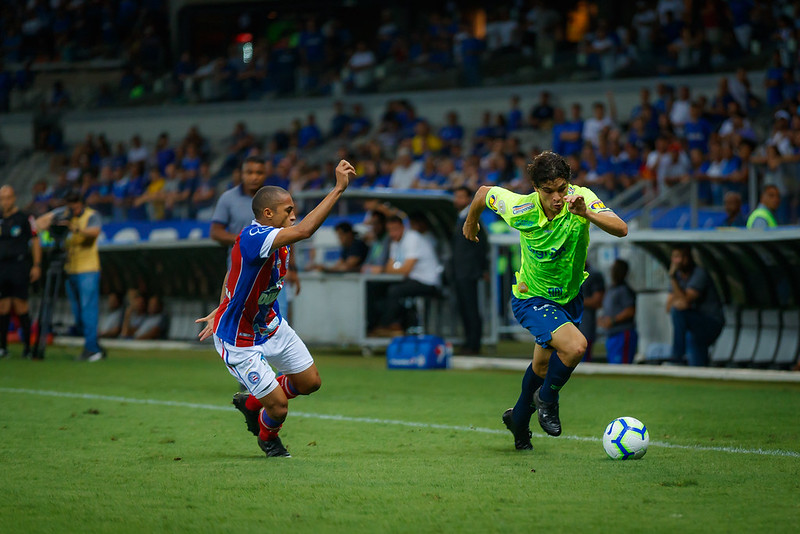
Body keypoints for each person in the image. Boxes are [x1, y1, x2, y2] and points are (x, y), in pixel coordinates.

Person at [462, 150, 627, 450]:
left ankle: (519, 420)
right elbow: (484, 193)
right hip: (531, 297)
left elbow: (621, 228)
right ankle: (548, 400)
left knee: (541, 367)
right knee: (576, 347)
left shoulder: (581, 199)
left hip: (568, 297)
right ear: (536, 188)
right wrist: (471, 221)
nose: (557, 197)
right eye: (548, 191)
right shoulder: (519, 207)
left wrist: (586, 214)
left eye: (562, 189)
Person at [195, 160, 356, 458]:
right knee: (279, 407)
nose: (294, 216)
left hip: (270, 325)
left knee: (310, 383)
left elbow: (233, 273)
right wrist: (337, 189)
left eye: (294, 210)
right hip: (240, 338)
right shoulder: (256, 238)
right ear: (268, 214)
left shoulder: (277, 236)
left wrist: (221, 304)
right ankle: (268, 439)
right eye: (288, 211)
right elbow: (307, 230)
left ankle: (253, 402)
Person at [36, 191, 104, 361]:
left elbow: (94, 232)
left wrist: (75, 228)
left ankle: (91, 349)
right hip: (70, 268)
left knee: (89, 309)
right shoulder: (64, 213)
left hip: (88, 269)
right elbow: (38, 223)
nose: (72, 210)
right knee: (78, 312)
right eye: (69, 206)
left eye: (74, 206)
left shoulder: (92, 215)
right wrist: (55, 219)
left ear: (81, 204)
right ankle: (94, 345)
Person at [370, 215, 443, 337]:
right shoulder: (395, 242)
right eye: (390, 230)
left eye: (395, 229)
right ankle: (377, 324)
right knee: (376, 287)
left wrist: (392, 269)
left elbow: (405, 270)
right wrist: (393, 269)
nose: (393, 234)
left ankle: (391, 325)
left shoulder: (412, 238)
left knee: (395, 291)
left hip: (428, 281)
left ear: (403, 227)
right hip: (411, 279)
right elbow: (389, 267)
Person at [0, 185, 41, 359]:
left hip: (19, 266)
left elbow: (35, 240)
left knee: (21, 305)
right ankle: (3, 348)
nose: (4, 202)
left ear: (14, 198)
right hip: (2, 267)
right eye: (1, 198)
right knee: (3, 307)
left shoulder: (25, 218)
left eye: (7, 197)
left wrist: (37, 265)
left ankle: (27, 347)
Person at [666, 245, 724, 367]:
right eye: (675, 257)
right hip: (694, 326)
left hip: (711, 322)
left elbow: (685, 302)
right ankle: (695, 368)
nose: (677, 261)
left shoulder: (699, 273)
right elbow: (668, 307)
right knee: (691, 337)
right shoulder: (676, 277)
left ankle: (677, 356)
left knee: (678, 312)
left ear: (688, 258)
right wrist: (673, 278)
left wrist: (674, 282)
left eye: (680, 257)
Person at [451, 186, 488, 355]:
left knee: (471, 308)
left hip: (468, 271)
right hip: (460, 271)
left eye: (460, 197)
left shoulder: (472, 217)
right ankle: (468, 342)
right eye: (456, 196)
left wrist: (481, 268)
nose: (457, 200)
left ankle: (473, 344)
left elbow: (482, 244)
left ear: (469, 199)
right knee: (465, 307)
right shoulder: (460, 217)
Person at [598, 259, 637, 364]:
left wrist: (613, 320)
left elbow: (630, 310)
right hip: (611, 335)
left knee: (621, 367)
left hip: (623, 334)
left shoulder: (624, 290)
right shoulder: (611, 289)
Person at [578, 262, 604, 362]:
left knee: (583, 360)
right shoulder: (569, 271)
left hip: (585, 328)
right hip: (569, 326)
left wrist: (573, 300)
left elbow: (598, 301)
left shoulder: (593, 275)